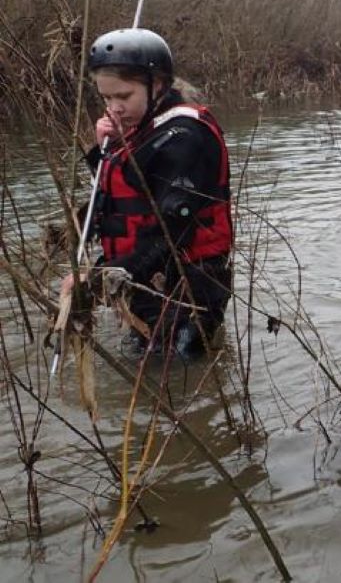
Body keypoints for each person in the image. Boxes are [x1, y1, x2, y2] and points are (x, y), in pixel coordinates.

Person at [63, 28, 233, 361]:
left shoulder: (185, 137)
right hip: (146, 277)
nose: (113, 109)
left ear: (156, 85)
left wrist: (99, 278)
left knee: (173, 372)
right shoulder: (140, 129)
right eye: (106, 99)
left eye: (123, 97)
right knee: (141, 357)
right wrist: (103, 149)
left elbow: (171, 235)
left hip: (189, 284)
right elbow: (124, 193)